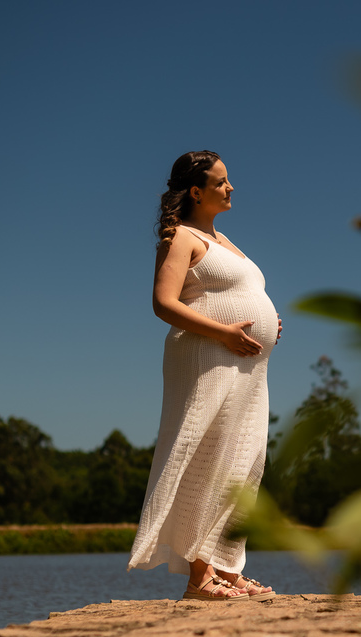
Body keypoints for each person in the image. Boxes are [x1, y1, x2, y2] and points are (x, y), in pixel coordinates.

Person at [127, 151, 281, 601]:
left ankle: (228, 570)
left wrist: (266, 322)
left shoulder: (227, 242)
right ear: (197, 191)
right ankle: (201, 577)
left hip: (248, 364)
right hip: (206, 358)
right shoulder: (180, 238)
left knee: (244, 460)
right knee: (208, 457)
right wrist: (225, 331)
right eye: (221, 182)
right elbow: (163, 303)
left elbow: (243, 294)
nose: (231, 188)